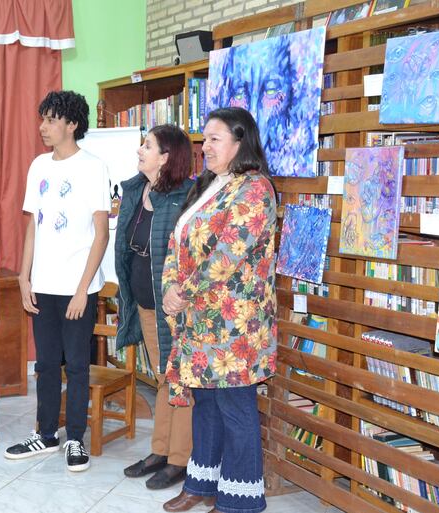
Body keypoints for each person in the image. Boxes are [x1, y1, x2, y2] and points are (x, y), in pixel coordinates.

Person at [160, 107, 278, 513]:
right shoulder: (209, 185)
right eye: (204, 139)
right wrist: (169, 289)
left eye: (214, 139)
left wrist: (184, 291)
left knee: (236, 409)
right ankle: (201, 484)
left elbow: (227, 255)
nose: (204, 147)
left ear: (240, 142)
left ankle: (239, 502)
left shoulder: (256, 189)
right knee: (205, 405)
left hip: (235, 326)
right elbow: (178, 242)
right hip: (198, 321)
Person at [4, 90, 110, 472]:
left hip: (78, 287)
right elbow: (33, 225)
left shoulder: (93, 167)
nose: (43, 127)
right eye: (42, 119)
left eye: (51, 120)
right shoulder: (38, 166)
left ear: (72, 124)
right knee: (47, 364)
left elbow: (101, 234)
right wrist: (23, 276)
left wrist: (83, 289)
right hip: (43, 284)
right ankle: (46, 434)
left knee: (77, 365)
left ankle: (75, 440)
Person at [115, 124, 194, 490]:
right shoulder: (137, 190)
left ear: (166, 156)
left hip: (172, 309)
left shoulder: (184, 196)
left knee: (178, 382)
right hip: (145, 305)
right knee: (164, 378)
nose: (139, 150)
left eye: (147, 145)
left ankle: (179, 459)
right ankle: (160, 451)